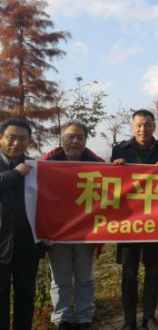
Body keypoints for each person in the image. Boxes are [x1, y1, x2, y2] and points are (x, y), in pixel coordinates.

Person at [112, 110, 158, 330]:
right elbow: (111, 184)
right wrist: (115, 166)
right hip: (128, 221)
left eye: (147, 124)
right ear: (132, 126)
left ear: (154, 126)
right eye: (138, 125)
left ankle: (149, 316)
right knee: (129, 272)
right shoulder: (120, 150)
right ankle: (129, 319)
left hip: (155, 221)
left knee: (153, 269)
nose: (142, 129)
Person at [43, 121, 103, 330]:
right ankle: (62, 319)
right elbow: (36, 201)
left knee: (85, 279)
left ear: (86, 140)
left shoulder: (98, 163)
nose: (75, 141)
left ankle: (85, 317)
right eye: (70, 136)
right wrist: (42, 231)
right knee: (60, 281)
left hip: (86, 234)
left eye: (80, 137)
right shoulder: (47, 163)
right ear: (62, 139)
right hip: (57, 235)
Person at [0, 118, 45, 330]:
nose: (16, 143)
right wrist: (15, 174)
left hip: (27, 247)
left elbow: (48, 204)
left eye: (22, 139)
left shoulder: (34, 168)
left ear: (29, 142)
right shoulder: (22, 169)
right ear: (1, 138)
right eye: (11, 138)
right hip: (1, 246)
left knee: (26, 298)